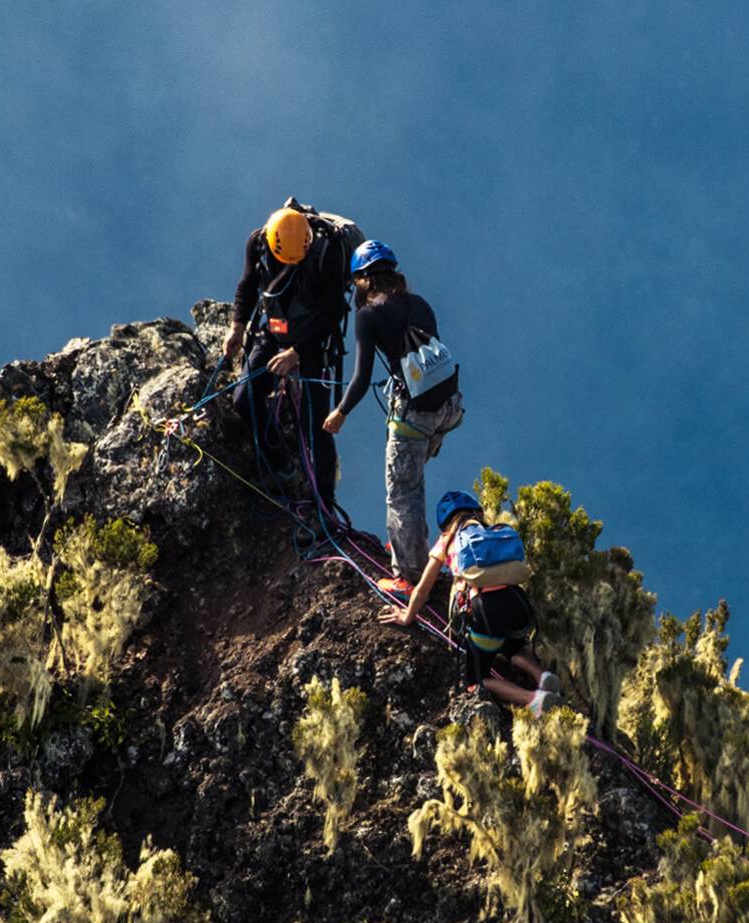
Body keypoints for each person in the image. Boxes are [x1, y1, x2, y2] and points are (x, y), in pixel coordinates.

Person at [322, 241, 463, 593]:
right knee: (412, 477)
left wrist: (340, 412)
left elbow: (361, 377)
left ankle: (409, 574)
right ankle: (409, 545)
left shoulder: (368, 316)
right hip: (450, 406)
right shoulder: (421, 305)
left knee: (403, 491)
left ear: (365, 279)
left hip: (416, 415)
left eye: (357, 280)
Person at [378, 491, 561, 715]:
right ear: (477, 511)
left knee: (477, 679)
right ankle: (543, 676)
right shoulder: (492, 532)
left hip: (486, 612)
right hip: (518, 605)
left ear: (445, 523)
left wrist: (407, 616)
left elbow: (424, 588)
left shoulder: (447, 540)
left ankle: (534, 699)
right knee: (514, 645)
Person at [224, 204, 350, 510]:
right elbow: (248, 286)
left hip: (313, 341)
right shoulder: (259, 244)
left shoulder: (324, 253)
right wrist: (237, 328)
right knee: (244, 399)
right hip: (276, 328)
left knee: (316, 425)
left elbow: (333, 312)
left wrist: (297, 352)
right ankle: (278, 462)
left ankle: (324, 502)